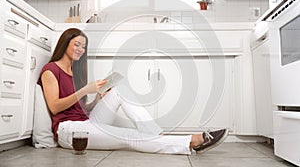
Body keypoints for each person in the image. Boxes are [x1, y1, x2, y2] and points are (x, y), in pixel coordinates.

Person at [38, 28, 228, 155]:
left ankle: (156, 134)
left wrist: (95, 100)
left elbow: (80, 108)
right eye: (77, 44)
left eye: (83, 46)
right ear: (65, 43)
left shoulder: (75, 71)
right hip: (69, 131)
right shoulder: (50, 70)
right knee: (128, 136)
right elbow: (55, 107)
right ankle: (190, 142)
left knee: (121, 89)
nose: (81, 49)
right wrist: (85, 89)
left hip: (85, 121)